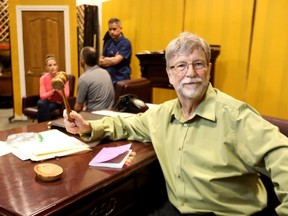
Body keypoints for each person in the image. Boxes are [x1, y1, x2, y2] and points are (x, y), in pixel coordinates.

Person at [63, 32, 288, 215]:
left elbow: (282, 156)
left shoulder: (235, 116)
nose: (190, 73)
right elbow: (127, 125)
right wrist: (90, 127)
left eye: (198, 64)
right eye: (180, 66)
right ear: (170, 75)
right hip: (177, 209)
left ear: (208, 70)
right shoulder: (161, 115)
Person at [74, 46, 115, 112]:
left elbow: (78, 108)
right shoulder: (105, 72)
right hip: (110, 113)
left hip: (95, 116)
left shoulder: (84, 78)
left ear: (82, 60)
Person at [99, 18, 132, 85]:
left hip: (121, 80)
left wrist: (107, 59)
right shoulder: (108, 43)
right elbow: (99, 61)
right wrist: (110, 59)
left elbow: (115, 61)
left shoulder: (126, 43)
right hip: (108, 79)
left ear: (120, 28)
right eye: (110, 29)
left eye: (114, 29)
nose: (111, 32)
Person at [37, 54, 69, 122]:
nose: (53, 67)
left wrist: (57, 87)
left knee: (41, 106)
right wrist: (53, 90)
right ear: (46, 67)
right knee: (41, 103)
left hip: (57, 102)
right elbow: (42, 96)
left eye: (54, 65)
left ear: (57, 66)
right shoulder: (43, 78)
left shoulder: (62, 77)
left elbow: (66, 95)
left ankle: (43, 126)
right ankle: (47, 125)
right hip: (46, 101)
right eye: (50, 65)